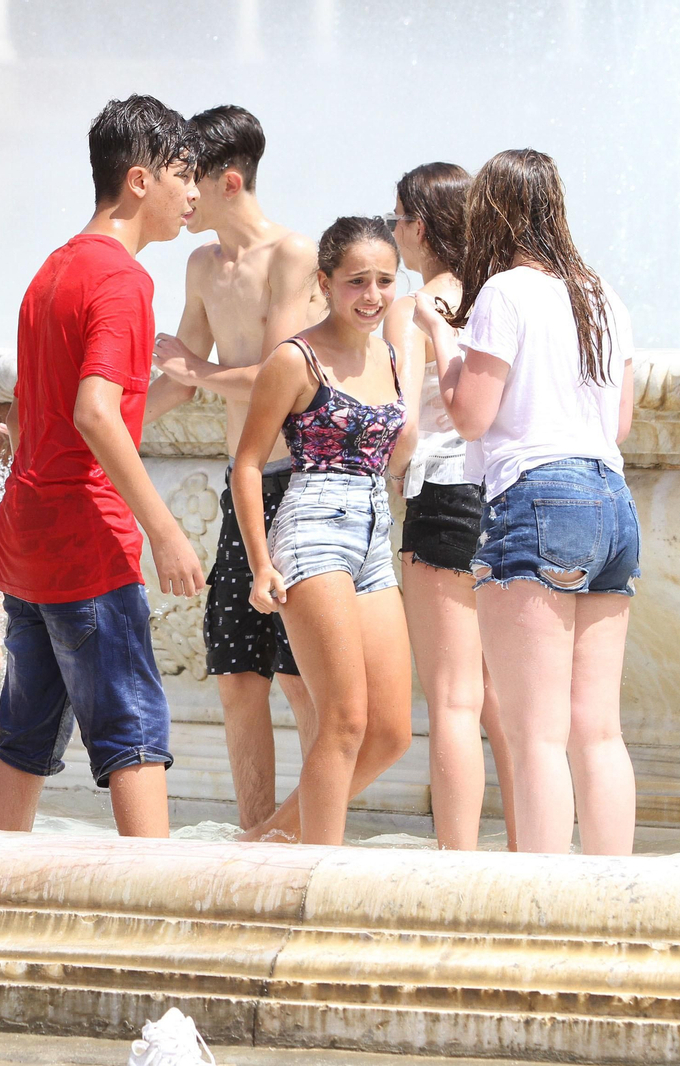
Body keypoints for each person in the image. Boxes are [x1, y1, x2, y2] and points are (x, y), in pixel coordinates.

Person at [0, 95, 205, 839]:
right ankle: (158, 929)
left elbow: (55, 410)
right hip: (89, 540)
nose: (194, 194)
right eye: (184, 175)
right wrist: (167, 531)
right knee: (135, 737)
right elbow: (95, 414)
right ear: (140, 180)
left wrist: (179, 387)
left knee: (23, 741)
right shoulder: (123, 279)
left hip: (29, 539)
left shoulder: (53, 269)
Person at [412, 148, 638, 856]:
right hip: (610, 499)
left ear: (492, 212)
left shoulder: (506, 293)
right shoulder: (601, 296)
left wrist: (440, 338)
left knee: (533, 730)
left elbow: (471, 414)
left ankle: (537, 917)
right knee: (596, 729)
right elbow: (620, 422)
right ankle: (617, 903)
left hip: (537, 497)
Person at [146, 105, 323, 831]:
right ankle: (255, 834)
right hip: (242, 485)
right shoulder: (200, 265)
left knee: (300, 680)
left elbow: (284, 375)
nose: (179, 191)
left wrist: (198, 367)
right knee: (238, 677)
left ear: (227, 179)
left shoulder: (294, 255)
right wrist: (89, 426)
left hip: (303, 486)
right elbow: (179, 381)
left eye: (188, 175)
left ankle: (315, 832)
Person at [231, 216, 413, 847]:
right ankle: (319, 877)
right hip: (312, 528)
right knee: (342, 720)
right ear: (325, 282)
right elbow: (249, 464)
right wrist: (260, 564)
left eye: (385, 281)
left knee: (390, 732)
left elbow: (401, 452)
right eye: (356, 281)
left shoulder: (390, 355)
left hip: (373, 538)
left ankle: (266, 838)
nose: (372, 295)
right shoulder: (294, 358)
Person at [382, 164, 517, 851]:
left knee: (454, 699)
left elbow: (405, 428)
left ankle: (455, 867)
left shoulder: (414, 308)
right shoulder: (500, 296)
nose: (392, 233)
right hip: (503, 496)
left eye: (397, 219)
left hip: (440, 492)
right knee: (503, 703)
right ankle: (532, 854)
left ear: (422, 227)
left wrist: (383, 472)